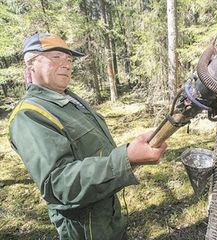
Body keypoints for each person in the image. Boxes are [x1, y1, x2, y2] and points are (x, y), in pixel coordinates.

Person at [8, 32, 167, 240]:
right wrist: (126, 158)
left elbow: (94, 151)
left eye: (69, 59)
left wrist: (132, 151)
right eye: (56, 57)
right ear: (31, 64)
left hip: (106, 207)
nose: (66, 64)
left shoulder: (70, 100)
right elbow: (59, 184)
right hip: (84, 225)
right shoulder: (28, 115)